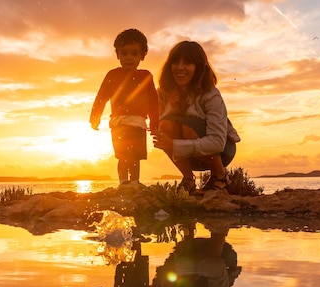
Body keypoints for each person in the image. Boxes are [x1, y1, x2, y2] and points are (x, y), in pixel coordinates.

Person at [153, 41, 241, 194]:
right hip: (187, 153)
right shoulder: (163, 92)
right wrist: (172, 106)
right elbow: (158, 126)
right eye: (176, 62)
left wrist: (174, 145)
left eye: (188, 62)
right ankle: (188, 179)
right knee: (166, 125)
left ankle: (220, 176)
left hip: (221, 150)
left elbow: (217, 142)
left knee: (187, 127)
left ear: (198, 67)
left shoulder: (210, 94)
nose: (180, 67)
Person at [90, 28, 160, 186]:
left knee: (136, 156)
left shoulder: (146, 76)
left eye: (134, 54)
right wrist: (95, 118)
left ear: (142, 55)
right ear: (117, 54)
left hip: (139, 124)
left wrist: (155, 123)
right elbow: (101, 97)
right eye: (124, 53)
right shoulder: (112, 75)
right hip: (119, 123)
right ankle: (123, 183)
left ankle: (134, 182)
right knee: (122, 155)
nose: (129, 57)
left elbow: (153, 102)